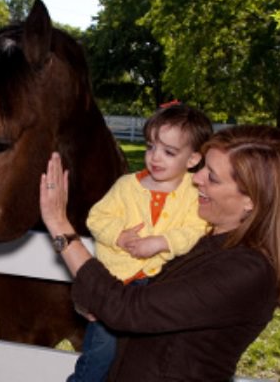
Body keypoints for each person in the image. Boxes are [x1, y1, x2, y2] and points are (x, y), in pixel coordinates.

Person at [40, 125, 280, 381]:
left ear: (251, 200)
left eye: (212, 177)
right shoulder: (203, 236)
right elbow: (134, 297)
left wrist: (60, 226)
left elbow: (128, 310)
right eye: (203, 166)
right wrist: (95, 300)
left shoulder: (247, 271)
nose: (197, 179)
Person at [71, 104, 212, 382]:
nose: (155, 158)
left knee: (143, 356)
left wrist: (162, 241)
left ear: (193, 159)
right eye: (150, 147)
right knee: (101, 352)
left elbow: (198, 229)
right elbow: (97, 217)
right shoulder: (126, 186)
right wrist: (118, 236)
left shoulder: (193, 193)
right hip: (116, 284)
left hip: (160, 288)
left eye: (169, 152)